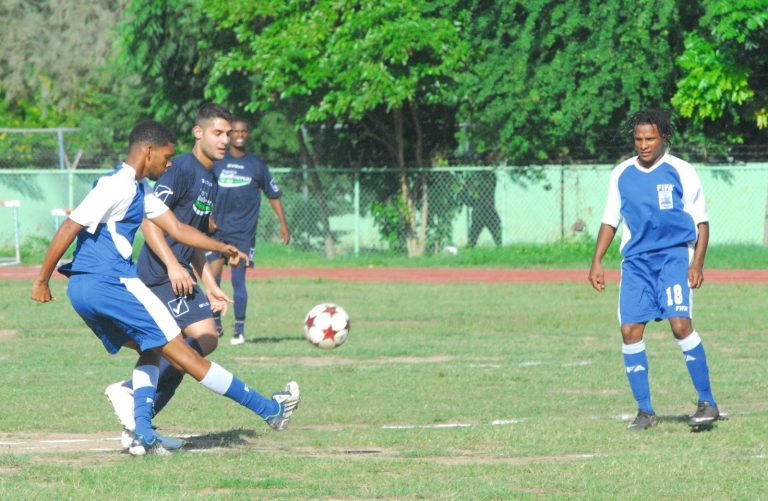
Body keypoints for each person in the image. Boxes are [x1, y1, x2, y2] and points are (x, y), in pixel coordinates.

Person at [31, 120, 300, 456]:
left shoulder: (138, 190)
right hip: (113, 283)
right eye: (166, 156)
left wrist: (221, 248)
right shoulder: (118, 185)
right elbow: (71, 225)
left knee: (153, 347)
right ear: (148, 151)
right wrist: (41, 279)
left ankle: (143, 432)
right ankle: (270, 410)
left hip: (84, 291)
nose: (169, 163)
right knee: (186, 356)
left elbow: (177, 228)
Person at [102, 103, 250, 445]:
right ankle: (135, 401)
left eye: (228, 133)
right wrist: (171, 264)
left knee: (192, 345)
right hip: (159, 274)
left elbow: (192, 236)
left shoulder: (210, 178)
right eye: (217, 133)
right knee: (196, 341)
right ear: (198, 133)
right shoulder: (180, 168)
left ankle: (140, 417)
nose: (225, 140)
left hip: (180, 274)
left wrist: (210, 284)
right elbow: (149, 218)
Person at [588, 108, 719, 431]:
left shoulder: (681, 171)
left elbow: (701, 223)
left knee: (680, 324)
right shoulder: (620, 174)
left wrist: (697, 263)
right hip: (636, 264)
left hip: (674, 257)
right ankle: (645, 412)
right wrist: (597, 261)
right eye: (638, 139)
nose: (644, 144)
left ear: (663, 137)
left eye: (650, 138)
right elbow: (610, 219)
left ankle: (707, 402)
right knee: (630, 330)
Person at [206, 117, 291, 345]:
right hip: (216, 232)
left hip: (242, 234)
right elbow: (204, 190)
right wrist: (208, 215)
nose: (240, 134)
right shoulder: (217, 162)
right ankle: (215, 323)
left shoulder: (257, 165)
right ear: (229, 135)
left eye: (244, 131)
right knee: (213, 279)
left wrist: (283, 224)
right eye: (236, 131)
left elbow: (273, 195)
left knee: (238, 281)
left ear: (248, 134)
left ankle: (239, 331)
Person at [463, 170, 502, 247]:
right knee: (473, 238)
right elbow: (463, 196)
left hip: (487, 211)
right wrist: (471, 201)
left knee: (497, 237)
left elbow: (465, 196)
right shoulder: (475, 179)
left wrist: (471, 201)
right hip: (481, 211)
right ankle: (469, 249)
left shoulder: (490, 177)